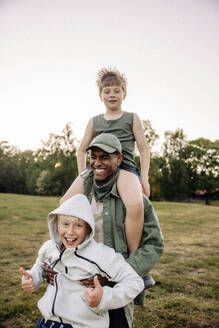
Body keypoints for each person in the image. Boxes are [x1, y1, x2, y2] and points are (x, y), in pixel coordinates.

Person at [55, 133, 164, 328]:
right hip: (81, 284)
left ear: (119, 159)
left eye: (104, 156)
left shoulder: (134, 199)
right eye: (94, 157)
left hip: (115, 287)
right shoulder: (82, 196)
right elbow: (65, 233)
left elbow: (154, 244)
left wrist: (114, 276)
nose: (97, 162)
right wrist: (55, 264)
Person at [19, 194, 144, 328]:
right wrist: (32, 277)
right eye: (65, 224)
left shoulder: (100, 254)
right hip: (47, 322)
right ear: (56, 224)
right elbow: (39, 266)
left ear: (88, 228)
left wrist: (104, 298)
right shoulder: (49, 248)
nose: (70, 232)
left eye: (78, 225)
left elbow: (134, 282)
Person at [66, 67, 150, 255]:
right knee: (66, 202)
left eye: (117, 90)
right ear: (100, 95)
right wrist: (82, 174)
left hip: (124, 167)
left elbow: (144, 148)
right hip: (97, 166)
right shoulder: (94, 121)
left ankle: (133, 260)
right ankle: (66, 253)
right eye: (107, 91)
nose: (112, 95)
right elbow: (81, 150)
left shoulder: (132, 118)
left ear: (124, 93)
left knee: (135, 205)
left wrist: (144, 177)